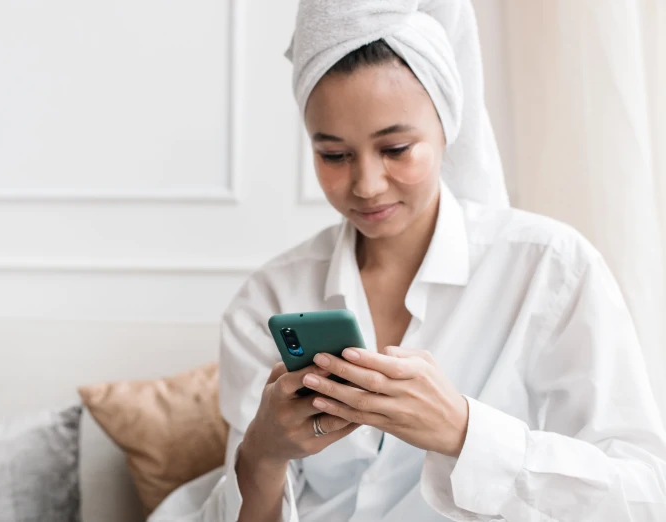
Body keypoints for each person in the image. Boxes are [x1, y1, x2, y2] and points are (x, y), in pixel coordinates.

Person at [150, 1, 666, 520]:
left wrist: (462, 431)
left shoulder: (551, 269)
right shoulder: (268, 299)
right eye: (334, 155)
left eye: (396, 148)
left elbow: (643, 494)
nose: (367, 185)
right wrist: (263, 455)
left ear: (446, 127)